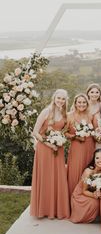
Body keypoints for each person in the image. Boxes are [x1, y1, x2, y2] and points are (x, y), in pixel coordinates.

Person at [30, 89, 70, 219]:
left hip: (58, 149)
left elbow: (64, 131)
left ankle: (56, 210)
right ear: (54, 98)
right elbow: (35, 132)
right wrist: (49, 143)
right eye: (58, 98)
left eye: (63, 99)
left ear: (65, 101)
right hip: (45, 149)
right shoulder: (46, 111)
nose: (60, 101)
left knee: (57, 178)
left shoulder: (65, 114)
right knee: (45, 177)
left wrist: (60, 140)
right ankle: (43, 209)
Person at [66, 93, 95, 197]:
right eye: (79, 102)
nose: (81, 104)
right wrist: (75, 137)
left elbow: (95, 131)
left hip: (90, 147)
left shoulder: (90, 116)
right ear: (75, 103)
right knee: (75, 173)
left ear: (87, 104)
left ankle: (87, 200)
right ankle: (72, 199)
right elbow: (64, 133)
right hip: (76, 147)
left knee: (88, 172)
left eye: (84, 102)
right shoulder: (69, 116)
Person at [70, 148, 101, 223]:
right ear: (94, 159)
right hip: (81, 194)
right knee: (94, 203)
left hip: (92, 192)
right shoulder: (88, 171)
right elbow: (84, 191)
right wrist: (94, 195)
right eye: (97, 158)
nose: (100, 160)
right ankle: (83, 216)